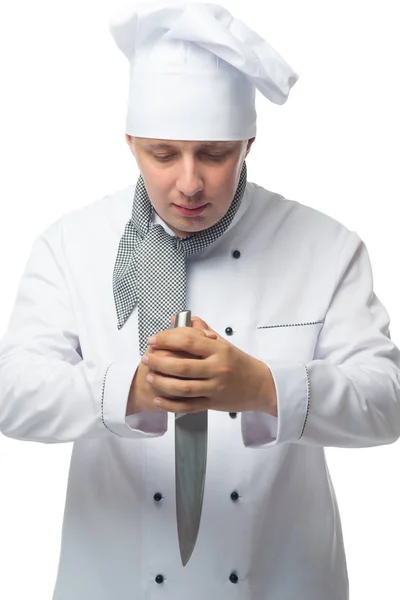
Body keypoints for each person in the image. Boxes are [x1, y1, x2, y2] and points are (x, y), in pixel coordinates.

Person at [1, 2, 400, 599]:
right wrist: (127, 390)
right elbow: (12, 393)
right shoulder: (70, 246)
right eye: (163, 154)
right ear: (131, 142)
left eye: (214, 154)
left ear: (249, 142)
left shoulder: (328, 247)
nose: (189, 183)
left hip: (283, 582)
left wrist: (267, 387)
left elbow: (387, 401)